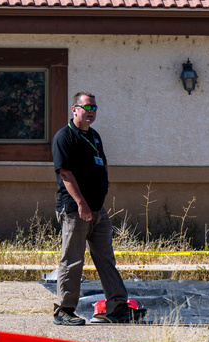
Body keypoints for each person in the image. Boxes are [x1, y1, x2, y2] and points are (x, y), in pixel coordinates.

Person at [50, 92, 146, 325]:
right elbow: (65, 173)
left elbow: (100, 164)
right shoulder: (64, 137)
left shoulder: (94, 136)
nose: (91, 111)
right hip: (75, 209)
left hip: (98, 211)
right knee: (72, 260)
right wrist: (82, 204)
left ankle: (117, 308)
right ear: (74, 109)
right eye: (86, 107)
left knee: (106, 259)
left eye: (94, 108)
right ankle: (64, 310)